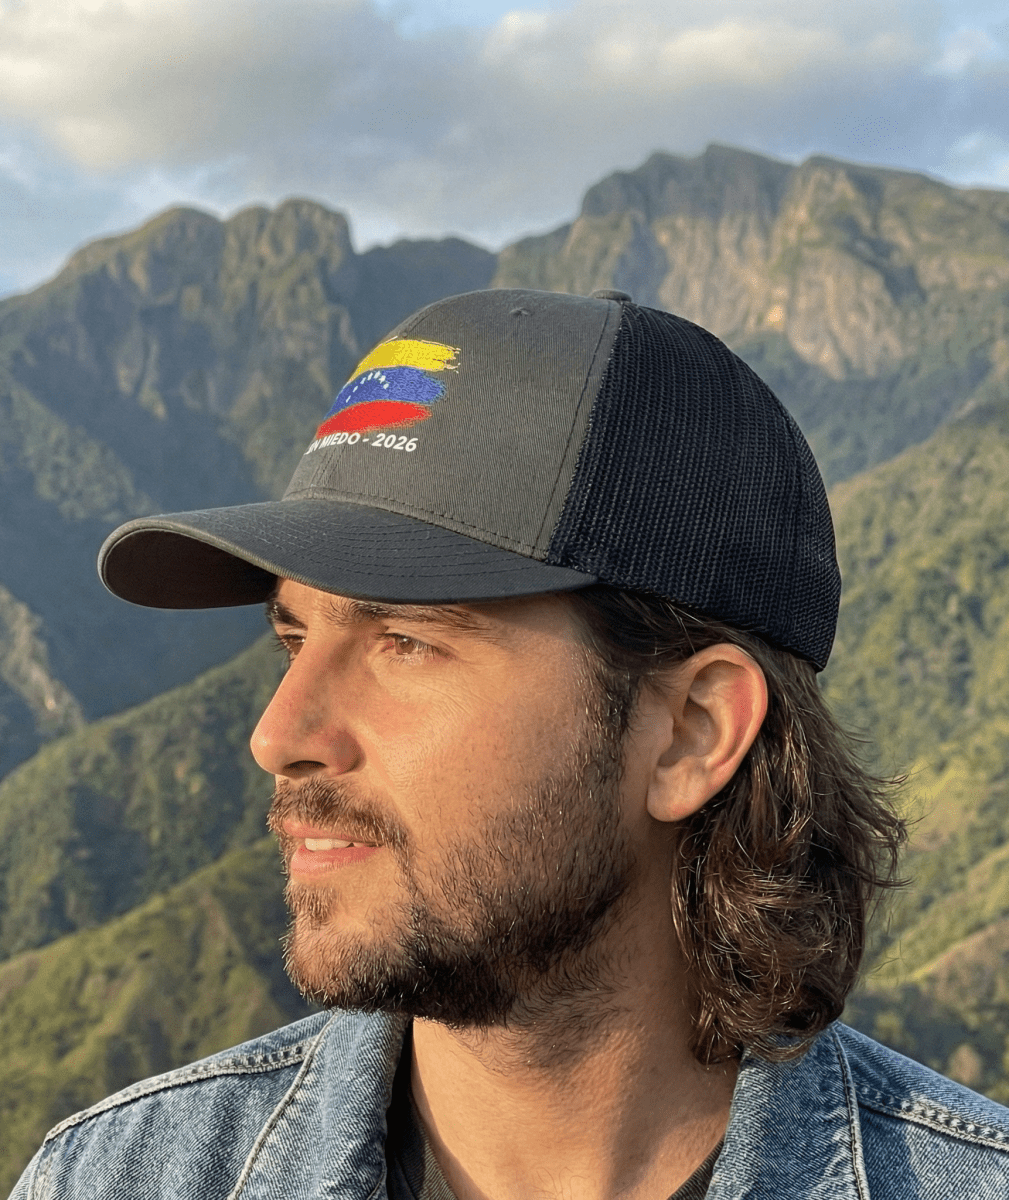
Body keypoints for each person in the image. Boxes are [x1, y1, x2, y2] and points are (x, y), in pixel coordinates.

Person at [14, 288, 1009, 1199]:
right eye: (295, 637)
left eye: (405, 641)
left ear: (690, 734)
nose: (279, 735)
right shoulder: (115, 1178)